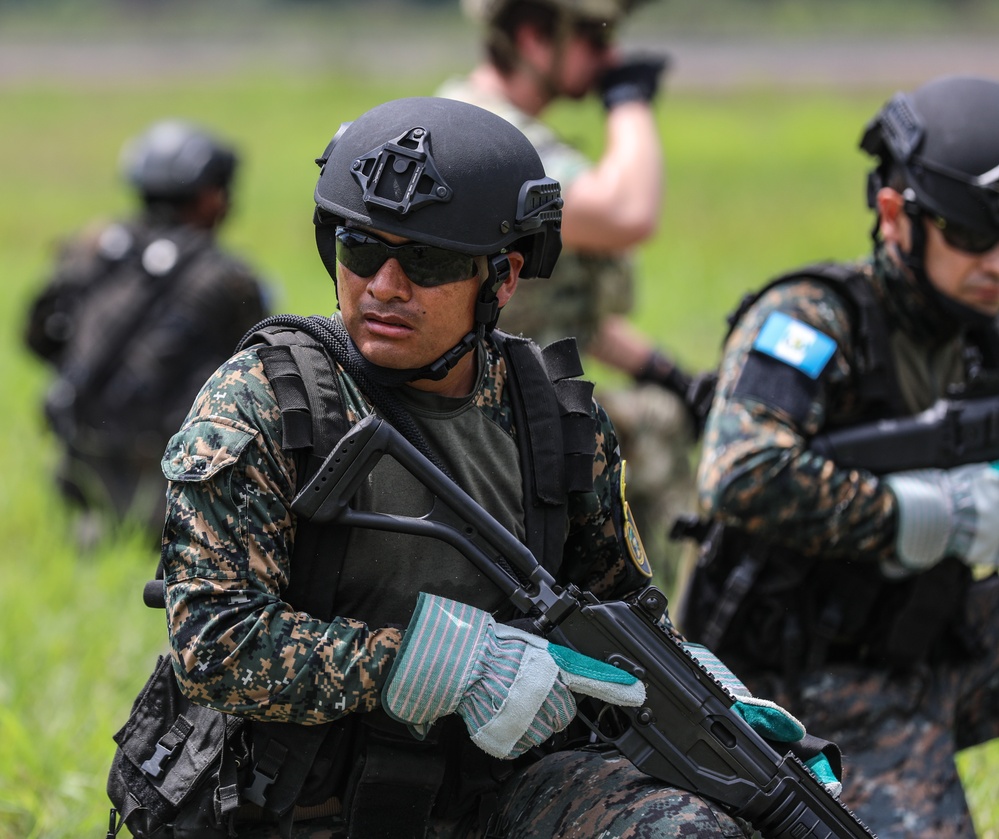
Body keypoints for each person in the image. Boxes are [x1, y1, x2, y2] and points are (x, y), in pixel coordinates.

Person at [142, 96, 829, 839]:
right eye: (361, 249)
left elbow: (619, 609)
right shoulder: (266, 402)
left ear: (500, 279)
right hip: (292, 801)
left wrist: (701, 691)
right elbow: (214, 645)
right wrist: (433, 663)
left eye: (428, 260)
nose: (384, 287)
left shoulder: (556, 422)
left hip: (493, 792)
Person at [679, 75, 999, 838]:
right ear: (895, 214)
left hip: (933, 637)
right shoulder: (815, 319)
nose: (995, 261)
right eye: (970, 235)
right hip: (805, 677)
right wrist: (920, 516)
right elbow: (740, 472)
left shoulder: (980, 323)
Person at [438, 0, 708, 590]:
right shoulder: (491, 142)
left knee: (660, 419)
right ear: (534, 37)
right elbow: (626, 211)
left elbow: (546, 310)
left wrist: (668, 375)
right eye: (592, 35)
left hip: (516, 392)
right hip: (489, 421)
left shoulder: (500, 128)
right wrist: (628, 102)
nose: (610, 55)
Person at [24, 119, 269, 545]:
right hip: (178, 480)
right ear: (212, 198)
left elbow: (36, 338)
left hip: (82, 468)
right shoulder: (228, 277)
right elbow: (262, 371)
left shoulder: (93, 248)